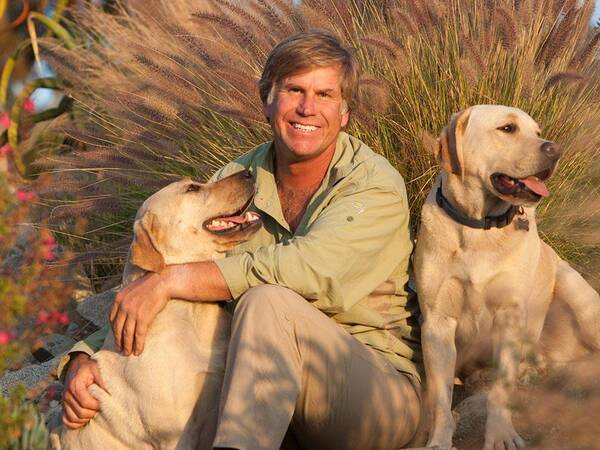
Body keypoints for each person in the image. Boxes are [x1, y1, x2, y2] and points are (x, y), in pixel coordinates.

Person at [58, 30, 422, 450]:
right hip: (266, 399)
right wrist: (85, 357)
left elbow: (312, 270)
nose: (308, 107)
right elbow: (164, 265)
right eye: (294, 90)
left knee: (266, 300)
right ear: (268, 99)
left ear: (344, 112)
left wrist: (172, 281)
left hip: (373, 396)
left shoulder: (373, 185)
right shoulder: (237, 180)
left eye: (325, 94)